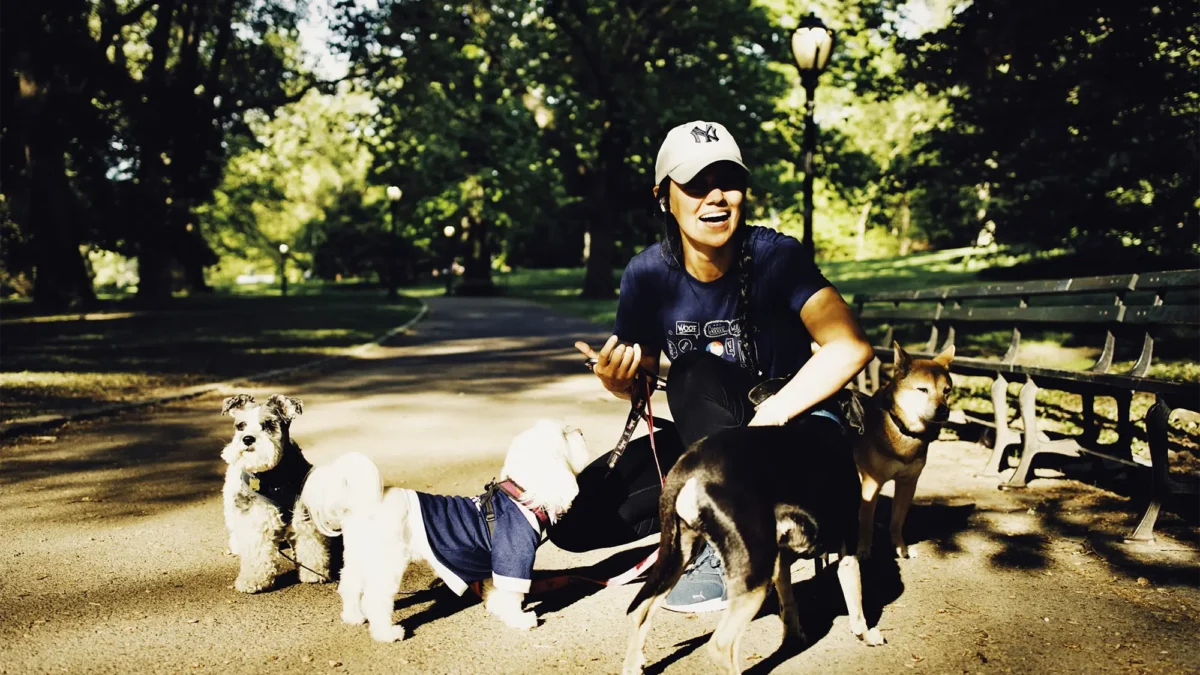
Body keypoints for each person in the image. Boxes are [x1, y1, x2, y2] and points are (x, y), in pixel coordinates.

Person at [549, 120, 873, 613]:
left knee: (693, 373)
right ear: (663, 197)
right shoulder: (647, 274)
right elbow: (642, 377)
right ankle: (704, 524)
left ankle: (729, 552)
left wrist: (776, 412)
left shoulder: (776, 257)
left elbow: (850, 347)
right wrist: (617, 380)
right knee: (575, 518)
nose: (716, 198)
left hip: (798, 448)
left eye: (729, 182)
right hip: (722, 445)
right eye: (696, 184)